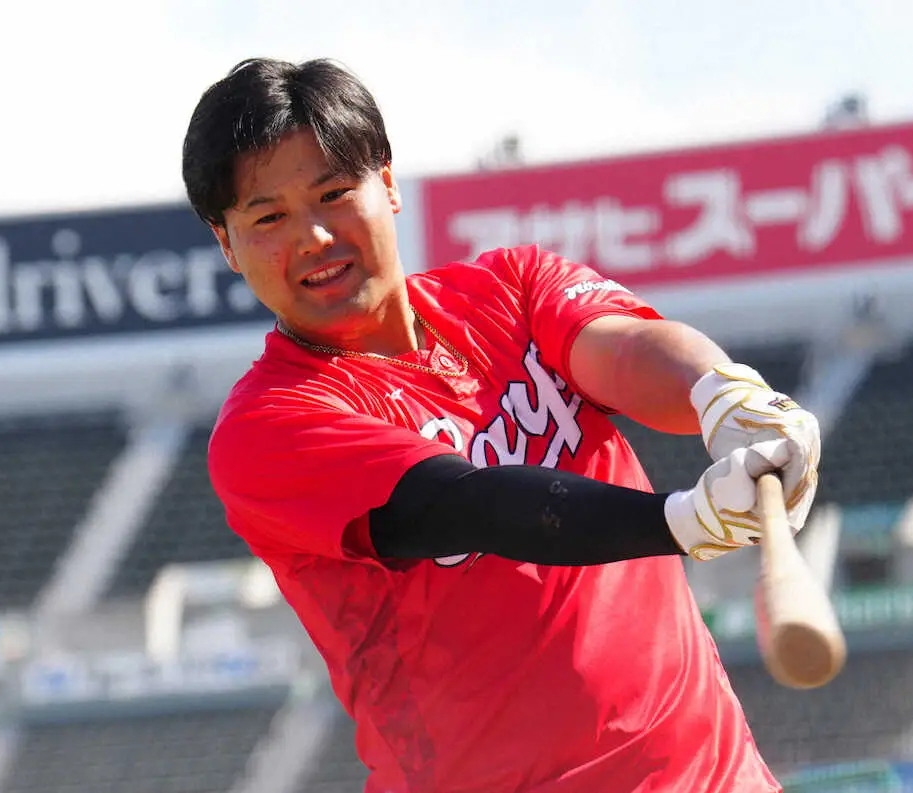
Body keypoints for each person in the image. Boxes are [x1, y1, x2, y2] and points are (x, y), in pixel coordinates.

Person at [186, 57, 822, 793]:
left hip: (714, 775)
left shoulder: (511, 287)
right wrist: (681, 520)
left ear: (386, 184)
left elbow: (624, 348)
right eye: (269, 217)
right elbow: (471, 505)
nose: (315, 236)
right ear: (228, 244)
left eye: (334, 194)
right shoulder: (267, 427)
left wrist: (723, 395)